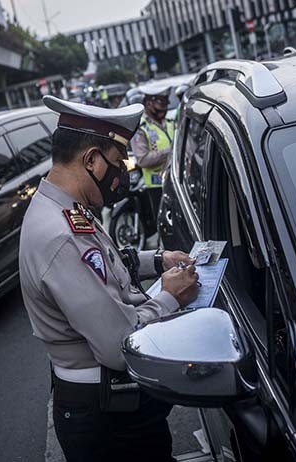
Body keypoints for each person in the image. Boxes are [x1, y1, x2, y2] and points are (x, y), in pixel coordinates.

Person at [19, 95, 200, 462]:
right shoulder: (61, 236)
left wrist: (159, 260)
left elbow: (105, 263)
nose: (122, 173)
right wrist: (169, 297)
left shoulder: (64, 206)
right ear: (91, 160)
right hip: (106, 414)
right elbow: (119, 346)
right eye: (118, 162)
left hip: (109, 404)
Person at [130, 85, 175, 212]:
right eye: (161, 104)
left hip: (176, 181)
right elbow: (143, 160)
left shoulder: (170, 122)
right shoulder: (141, 128)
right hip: (157, 186)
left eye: (166, 103)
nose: (164, 109)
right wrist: (171, 151)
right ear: (149, 104)